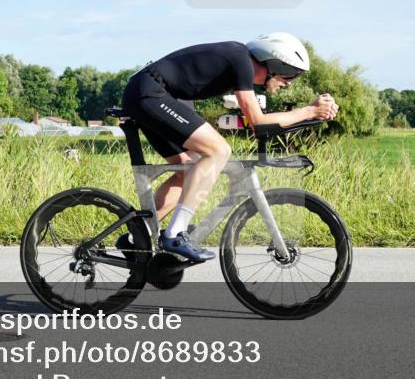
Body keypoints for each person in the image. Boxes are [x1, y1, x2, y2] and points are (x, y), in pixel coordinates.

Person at [119, 33, 338, 262]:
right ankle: (175, 234)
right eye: (290, 75)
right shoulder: (241, 60)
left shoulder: (238, 63)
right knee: (218, 151)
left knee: (189, 168)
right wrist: (309, 111)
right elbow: (258, 123)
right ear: (274, 63)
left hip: (155, 94)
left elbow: (257, 120)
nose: (290, 82)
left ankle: (137, 236)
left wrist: (313, 116)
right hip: (151, 93)